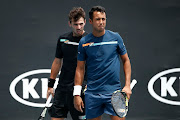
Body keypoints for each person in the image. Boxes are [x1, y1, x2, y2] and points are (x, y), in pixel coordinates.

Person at [73, 6, 132, 120]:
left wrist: (127, 86)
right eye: (98, 19)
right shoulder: (84, 42)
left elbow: (126, 60)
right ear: (90, 21)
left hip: (114, 93)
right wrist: (76, 94)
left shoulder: (115, 38)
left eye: (103, 19)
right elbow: (80, 69)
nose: (101, 22)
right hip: (92, 94)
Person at [47, 7, 87, 120]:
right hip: (62, 89)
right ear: (70, 24)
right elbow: (57, 61)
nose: (79, 27)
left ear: (85, 22)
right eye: (75, 24)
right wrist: (51, 85)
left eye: (81, 24)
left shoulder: (90, 41)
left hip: (79, 91)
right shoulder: (63, 39)